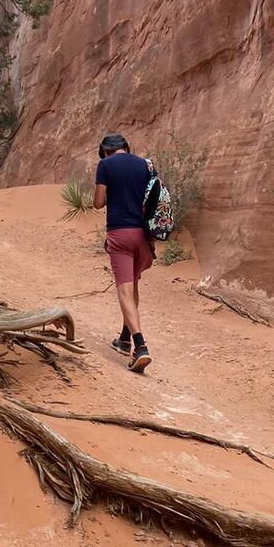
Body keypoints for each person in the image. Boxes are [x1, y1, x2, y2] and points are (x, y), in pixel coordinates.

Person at [93, 132, 154, 373]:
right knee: (134, 286)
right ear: (126, 147)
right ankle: (124, 338)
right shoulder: (144, 165)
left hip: (120, 234)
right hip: (143, 235)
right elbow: (150, 199)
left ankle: (140, 347)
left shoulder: (105, 165)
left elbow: (98, 202)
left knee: (124, 290)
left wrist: (112, 196)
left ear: (106, 151)